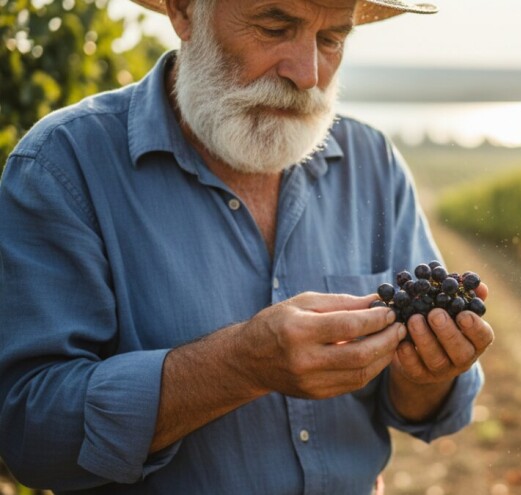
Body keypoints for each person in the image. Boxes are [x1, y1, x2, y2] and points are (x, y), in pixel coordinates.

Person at [0, 0, 494, 492]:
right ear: (183, 12)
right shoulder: (64, 167)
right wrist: (238, 366)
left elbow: (423, 411)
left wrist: (427, 372)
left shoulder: (373, 163)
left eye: (331, 40)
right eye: (275, 27)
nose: (307, 74)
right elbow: (30, 433)